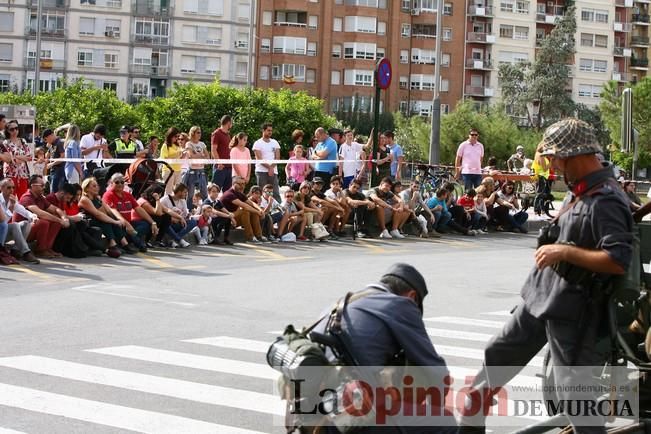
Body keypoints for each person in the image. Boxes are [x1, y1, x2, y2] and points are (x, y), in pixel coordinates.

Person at [457, 118, 634, 434]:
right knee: (496, 357)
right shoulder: (580, 189)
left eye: (555, 159)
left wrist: (563, 253)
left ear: (574, 155)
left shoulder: (606, 198)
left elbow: (617, 260)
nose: (553, 166)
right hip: (540, 296)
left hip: (573, 310)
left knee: (574, 393)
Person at [309, 263, 455, 433]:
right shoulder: (400, 305)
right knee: (444, 421)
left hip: (316, 415)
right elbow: (435, 370)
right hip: (353, 417)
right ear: (412, 296)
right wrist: (436, 409)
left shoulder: (338, 304)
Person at [16, 175, 70, 258]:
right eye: (41, 185)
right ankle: (40, 250)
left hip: (31, 229)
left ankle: (47, 248)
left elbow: (55, 209)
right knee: (43, 222)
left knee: (56, 223)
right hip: (22, 231)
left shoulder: (40, 197)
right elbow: (40, 213)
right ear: (32, 186)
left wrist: (64, 217)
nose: (44, 188)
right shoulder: (27, 198)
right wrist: (60, 220)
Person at [0, 178, 39, 264]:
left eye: (13, 187)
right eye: (8, 188)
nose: (12, 190)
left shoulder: (11, 200)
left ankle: (16, 250)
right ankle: (26, 252)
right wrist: (11, 208)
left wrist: (33, 217)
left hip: (4, 231)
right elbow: (3, 221)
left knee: (26, 223)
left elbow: (24, 211)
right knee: (14, 225)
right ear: (1, 188)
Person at [221, 176, 264, 243]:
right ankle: (250, 238)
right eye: (240, 184)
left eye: (243, 184)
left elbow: (251, 203)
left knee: (253, 212)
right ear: (233, 183)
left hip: (234, 218)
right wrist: (258, 212)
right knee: (245, 211)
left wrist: (260, 210)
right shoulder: (229, 194)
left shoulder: (239, 193)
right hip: (226, 219)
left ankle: (259, 236)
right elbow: (245, 206)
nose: (242, 186)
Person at [2, 120, 32, 199]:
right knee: (10, 198)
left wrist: (16, 156)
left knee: (23, 198)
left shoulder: (23, 141)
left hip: (23, 174)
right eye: (12, 129)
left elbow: (29, 157)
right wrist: (22, 157)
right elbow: (11, 159)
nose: (15, 131)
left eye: (16, 128)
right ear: (8, 131)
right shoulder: (5, 143)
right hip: (10, 174)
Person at [181, 126, 209, 208]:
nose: (200, 134)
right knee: (190, 194)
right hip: (192, 171)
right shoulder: (189, 143)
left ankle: (207, 210)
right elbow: (191, 156)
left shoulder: (202, 144)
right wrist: (201, 155)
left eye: (200, 132)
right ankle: (188, 212)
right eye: (198, 132)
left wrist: (197, 155)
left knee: (204, 193)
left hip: (201, 170)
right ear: (193, 133)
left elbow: (207, 156)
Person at [211, 115, 233, 191]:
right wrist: (219, 163)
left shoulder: (228, 135)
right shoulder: (216, 133)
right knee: (215, 190)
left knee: (227, 192)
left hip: (229, 167)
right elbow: (213, 149)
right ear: (229, 122)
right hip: (220, 167)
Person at [160, 127, 183, 194]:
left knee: (179, 191)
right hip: (168, 170)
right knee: (168, 192)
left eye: (178, 136)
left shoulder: (177, 145)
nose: (177, 138)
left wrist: (183, 154)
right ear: (170, 135)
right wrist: (176, 156)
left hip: (178, 170)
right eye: (176, 136)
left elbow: (179, 157)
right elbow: (164, 159)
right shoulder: (165, 146)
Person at [43, 129, 65, 193]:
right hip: (53, 171)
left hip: (59, 170)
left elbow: (63, 157)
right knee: (52, 191)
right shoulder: (52, 144)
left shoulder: (59, 143)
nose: (46, 141)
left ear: (50, 136)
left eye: (46, 139)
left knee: (55, 191)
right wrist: (49, 148)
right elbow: (48, 155)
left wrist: (52, 164)